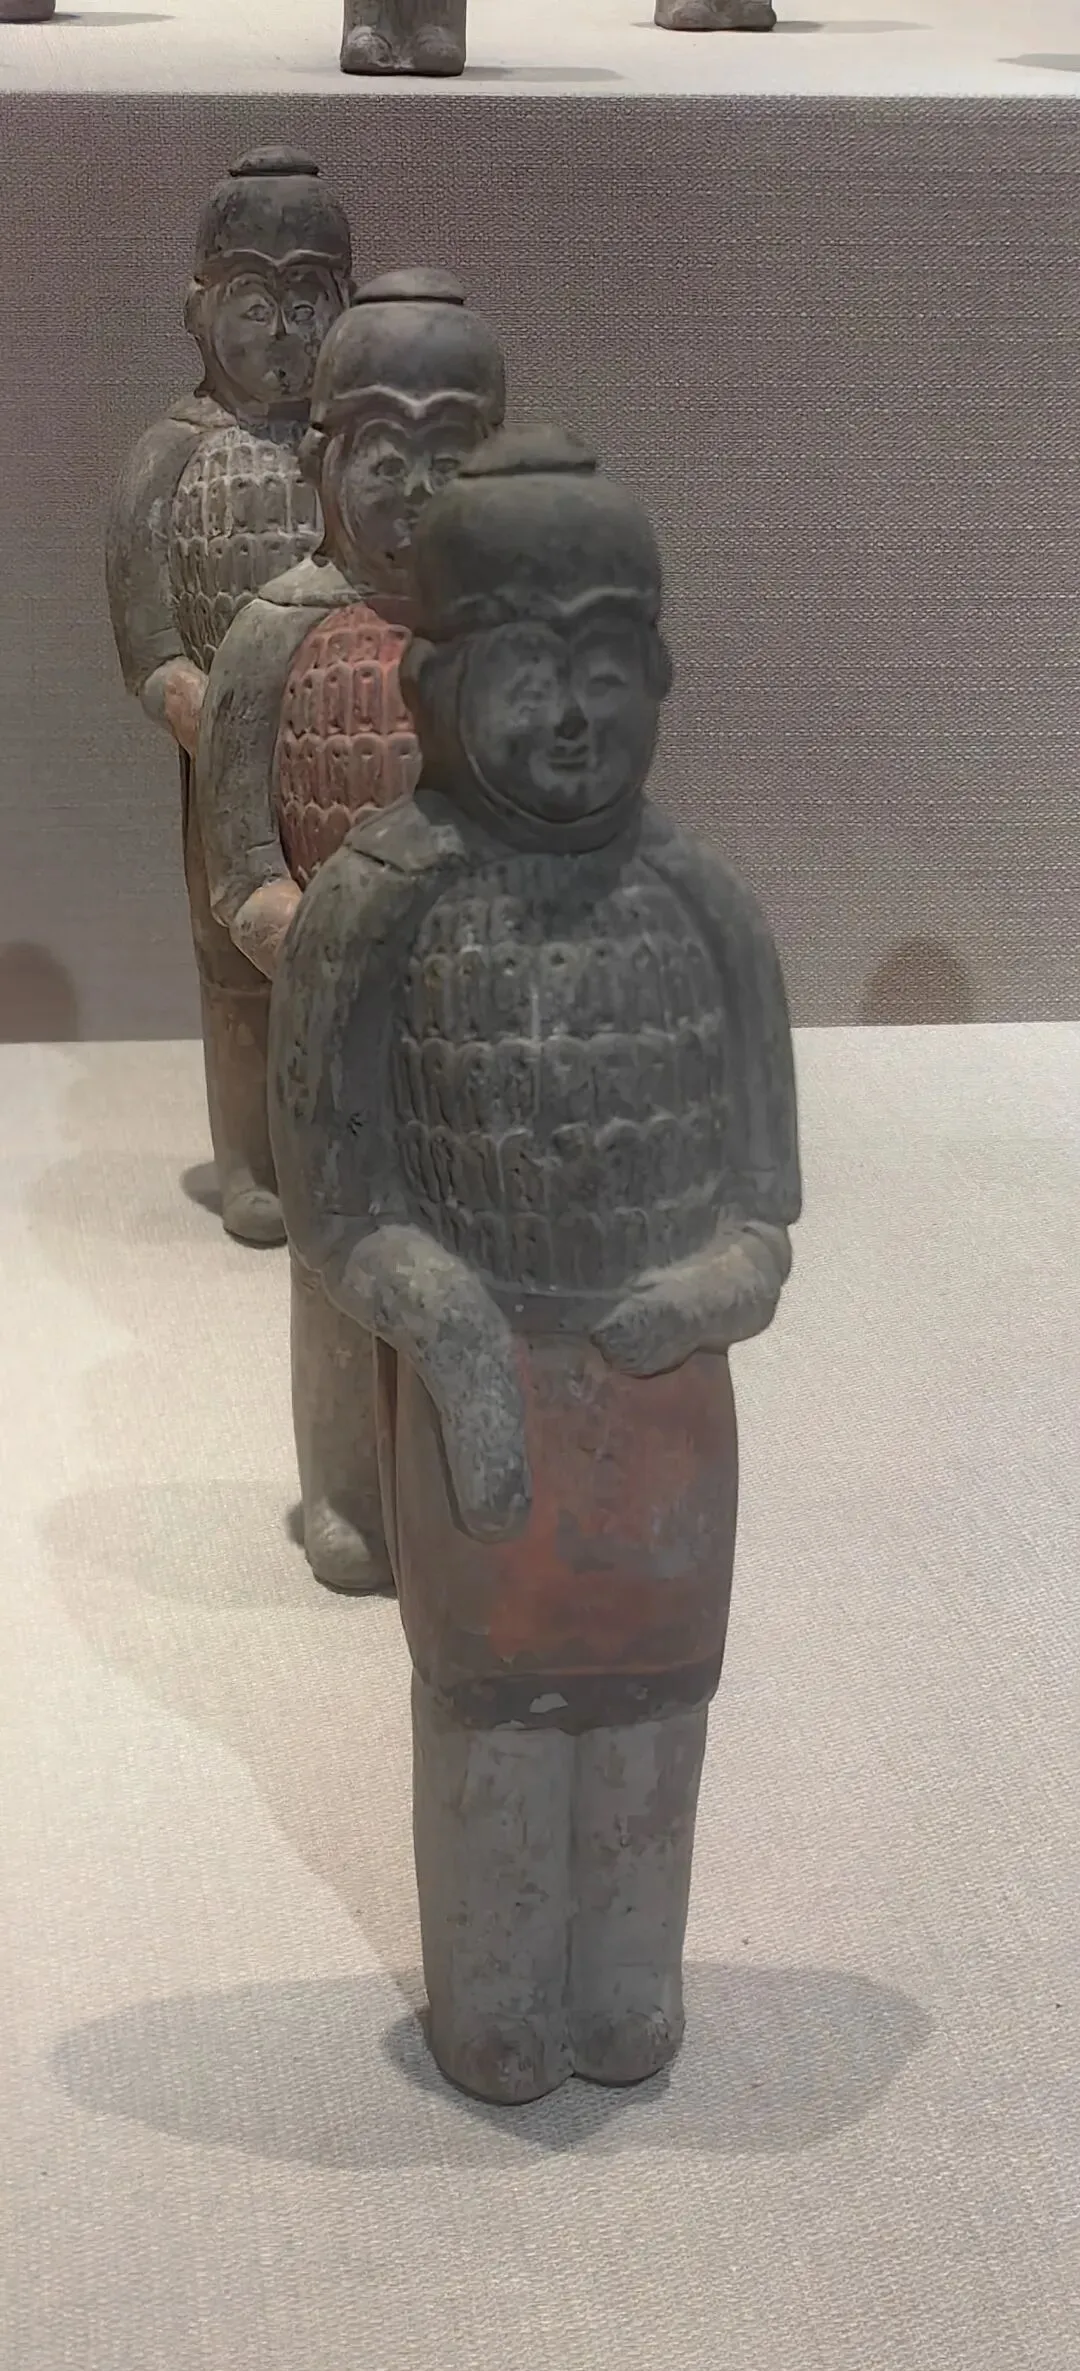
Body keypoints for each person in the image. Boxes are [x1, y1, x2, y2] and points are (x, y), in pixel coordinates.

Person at [268, 426, 801, 2103]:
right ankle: (497, 1996)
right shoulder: (378, 905)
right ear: (431, 687)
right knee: (495, 1719)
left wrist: (707, 1291)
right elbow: (339, 1204)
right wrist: (454, 1332)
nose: (571, 717)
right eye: (525, 670)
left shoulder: (707, 910)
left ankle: (627, 1982)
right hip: (480, 1391)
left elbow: (764, 1220)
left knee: (651, 1711)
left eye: (604, 668)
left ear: (660, 677)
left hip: (662, 1407)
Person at [197, 271, 506, 1591]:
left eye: (453, 454)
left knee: (470, 1266)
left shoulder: (510, 642)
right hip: (329, 1027)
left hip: (474, 1028)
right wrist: (335, 964)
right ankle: (345, 1490)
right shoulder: (274, 638)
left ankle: (456, 1482)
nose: (416, 492)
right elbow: (241, 875)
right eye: (387, 453)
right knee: (336, 1265)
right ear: (326, 459)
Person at [105, 147, 353, 1244]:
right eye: (257, 304)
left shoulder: (354, 450)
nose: (284, 335)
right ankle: (250, 1161)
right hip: (224, 767)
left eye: (309, 302)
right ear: (198, 311)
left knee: (348, 952)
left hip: (349, 755)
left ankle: (342, 1149)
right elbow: (149, 646)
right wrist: (216, 719)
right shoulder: (168, 457)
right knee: (235, 963)